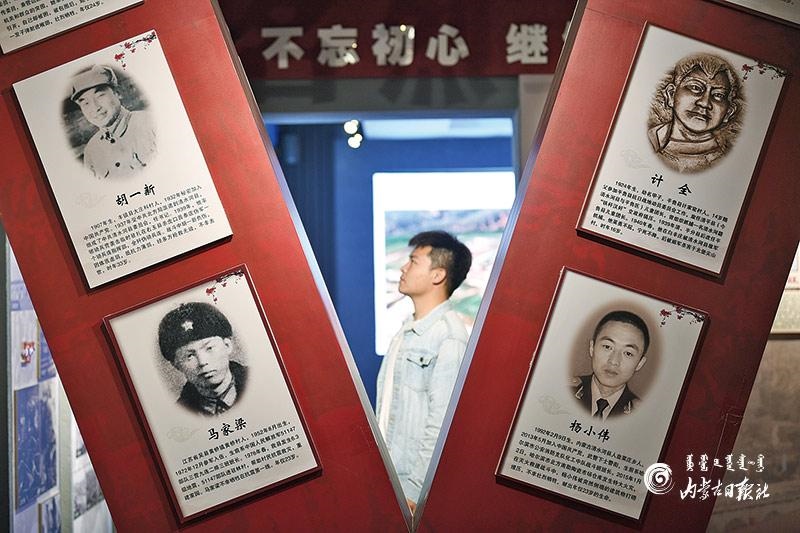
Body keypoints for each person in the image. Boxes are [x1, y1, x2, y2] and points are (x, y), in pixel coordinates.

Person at [375, 230, 472, 513]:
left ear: (437, 275)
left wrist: (415, 492)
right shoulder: (407, 330)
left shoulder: (449, 337)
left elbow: (441, 425)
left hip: (410, 493)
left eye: (414, 261)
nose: (403, 268)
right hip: (390, 481)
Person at [647, 53, 743, 173]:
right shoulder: (648, 140)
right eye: (695, 88)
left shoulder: (725, 160)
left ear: (729, 112)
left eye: (718, 95)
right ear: (671, 95)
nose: (704, 103)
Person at [158, 302, 247, 416]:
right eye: (190, 356)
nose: (202, 362)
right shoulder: (177, 414)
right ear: (176, 365)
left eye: (209, 348)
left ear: (227, 345)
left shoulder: (260, 383)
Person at [69, 64, 156, 179]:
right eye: (85, 103)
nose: (95, 108)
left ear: (117, 93)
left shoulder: (149, 122)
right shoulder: (91, 151)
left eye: (100, 96)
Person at [571, 310, 650, 419]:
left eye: (628, 353)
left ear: (640, 363)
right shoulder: (565, 390)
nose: (613, 361)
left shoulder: (641, 415)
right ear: (592, 348)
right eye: (607, 347)